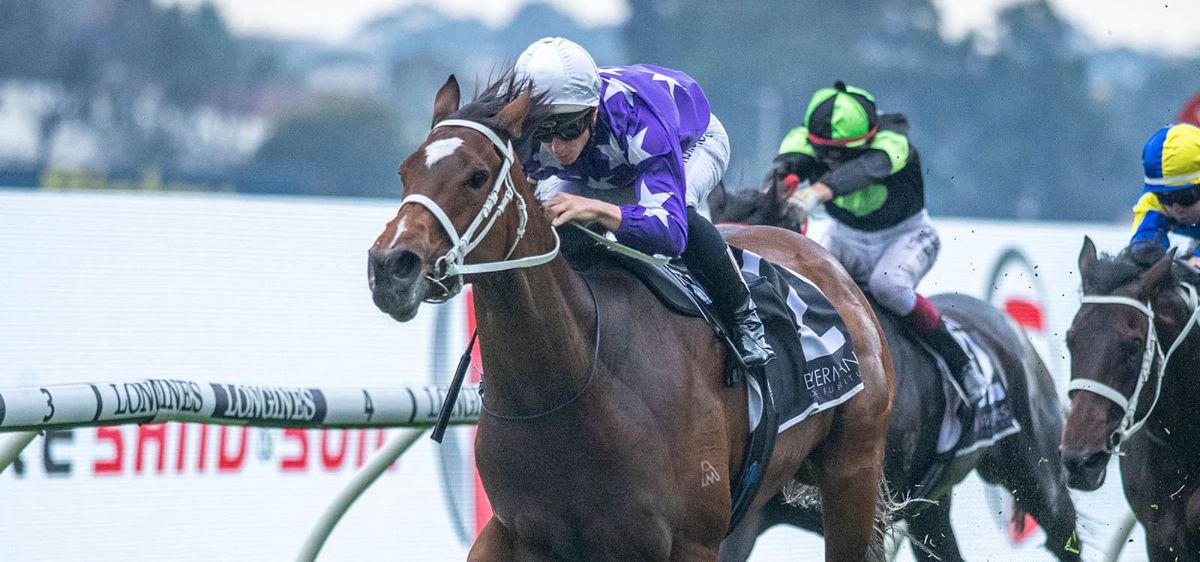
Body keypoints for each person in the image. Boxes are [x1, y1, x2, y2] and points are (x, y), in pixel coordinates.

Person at [514, 36, 774, 370]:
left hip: (688, 142)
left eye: (567, 130)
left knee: (683, 212)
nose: (556, 147)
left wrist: (597, 209)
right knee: (553, 223)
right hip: (599, 164)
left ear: (593, 112)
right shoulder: (526, 129)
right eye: (543, 132)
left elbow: (671, 232)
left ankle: (744, 319)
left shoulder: (640, 121)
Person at [772, 80, 983, 405]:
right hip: (844, 236)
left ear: (867, 139)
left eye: (842, 155)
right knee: (808, 286)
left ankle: (960, 361)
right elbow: (782, 171)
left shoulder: (893, 141)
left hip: (906, 235)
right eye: (825, 154)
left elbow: (867, 169)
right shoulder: (803, 138)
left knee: (888, 286)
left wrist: (817, 191)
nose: (832, 162)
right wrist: (778, 187)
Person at [1128, 123, 1200, 266]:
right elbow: (1144, 248)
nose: (1176, 209)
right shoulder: (1152, 201)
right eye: (1165, 198)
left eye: (1184, 197)